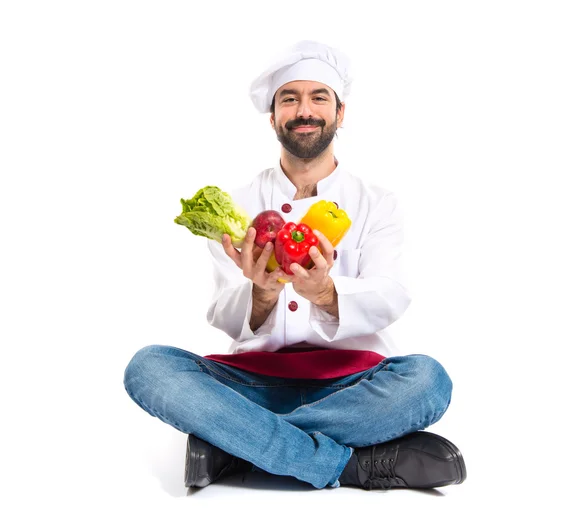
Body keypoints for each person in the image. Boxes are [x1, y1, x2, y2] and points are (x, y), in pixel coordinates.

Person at [123, 40, 466, 491]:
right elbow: (223, 310)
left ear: (340, 113)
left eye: (318, 97)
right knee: (147, 367)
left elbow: (390, 295)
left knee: (428, 381)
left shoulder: (378, 204)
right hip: (252, 382)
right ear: (274, 118)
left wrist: (324, 293)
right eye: (290, 99)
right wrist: (262, 294)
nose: (305, 110)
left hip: (353, 384)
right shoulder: (236, 208)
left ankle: (235, 444)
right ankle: (349, 465)